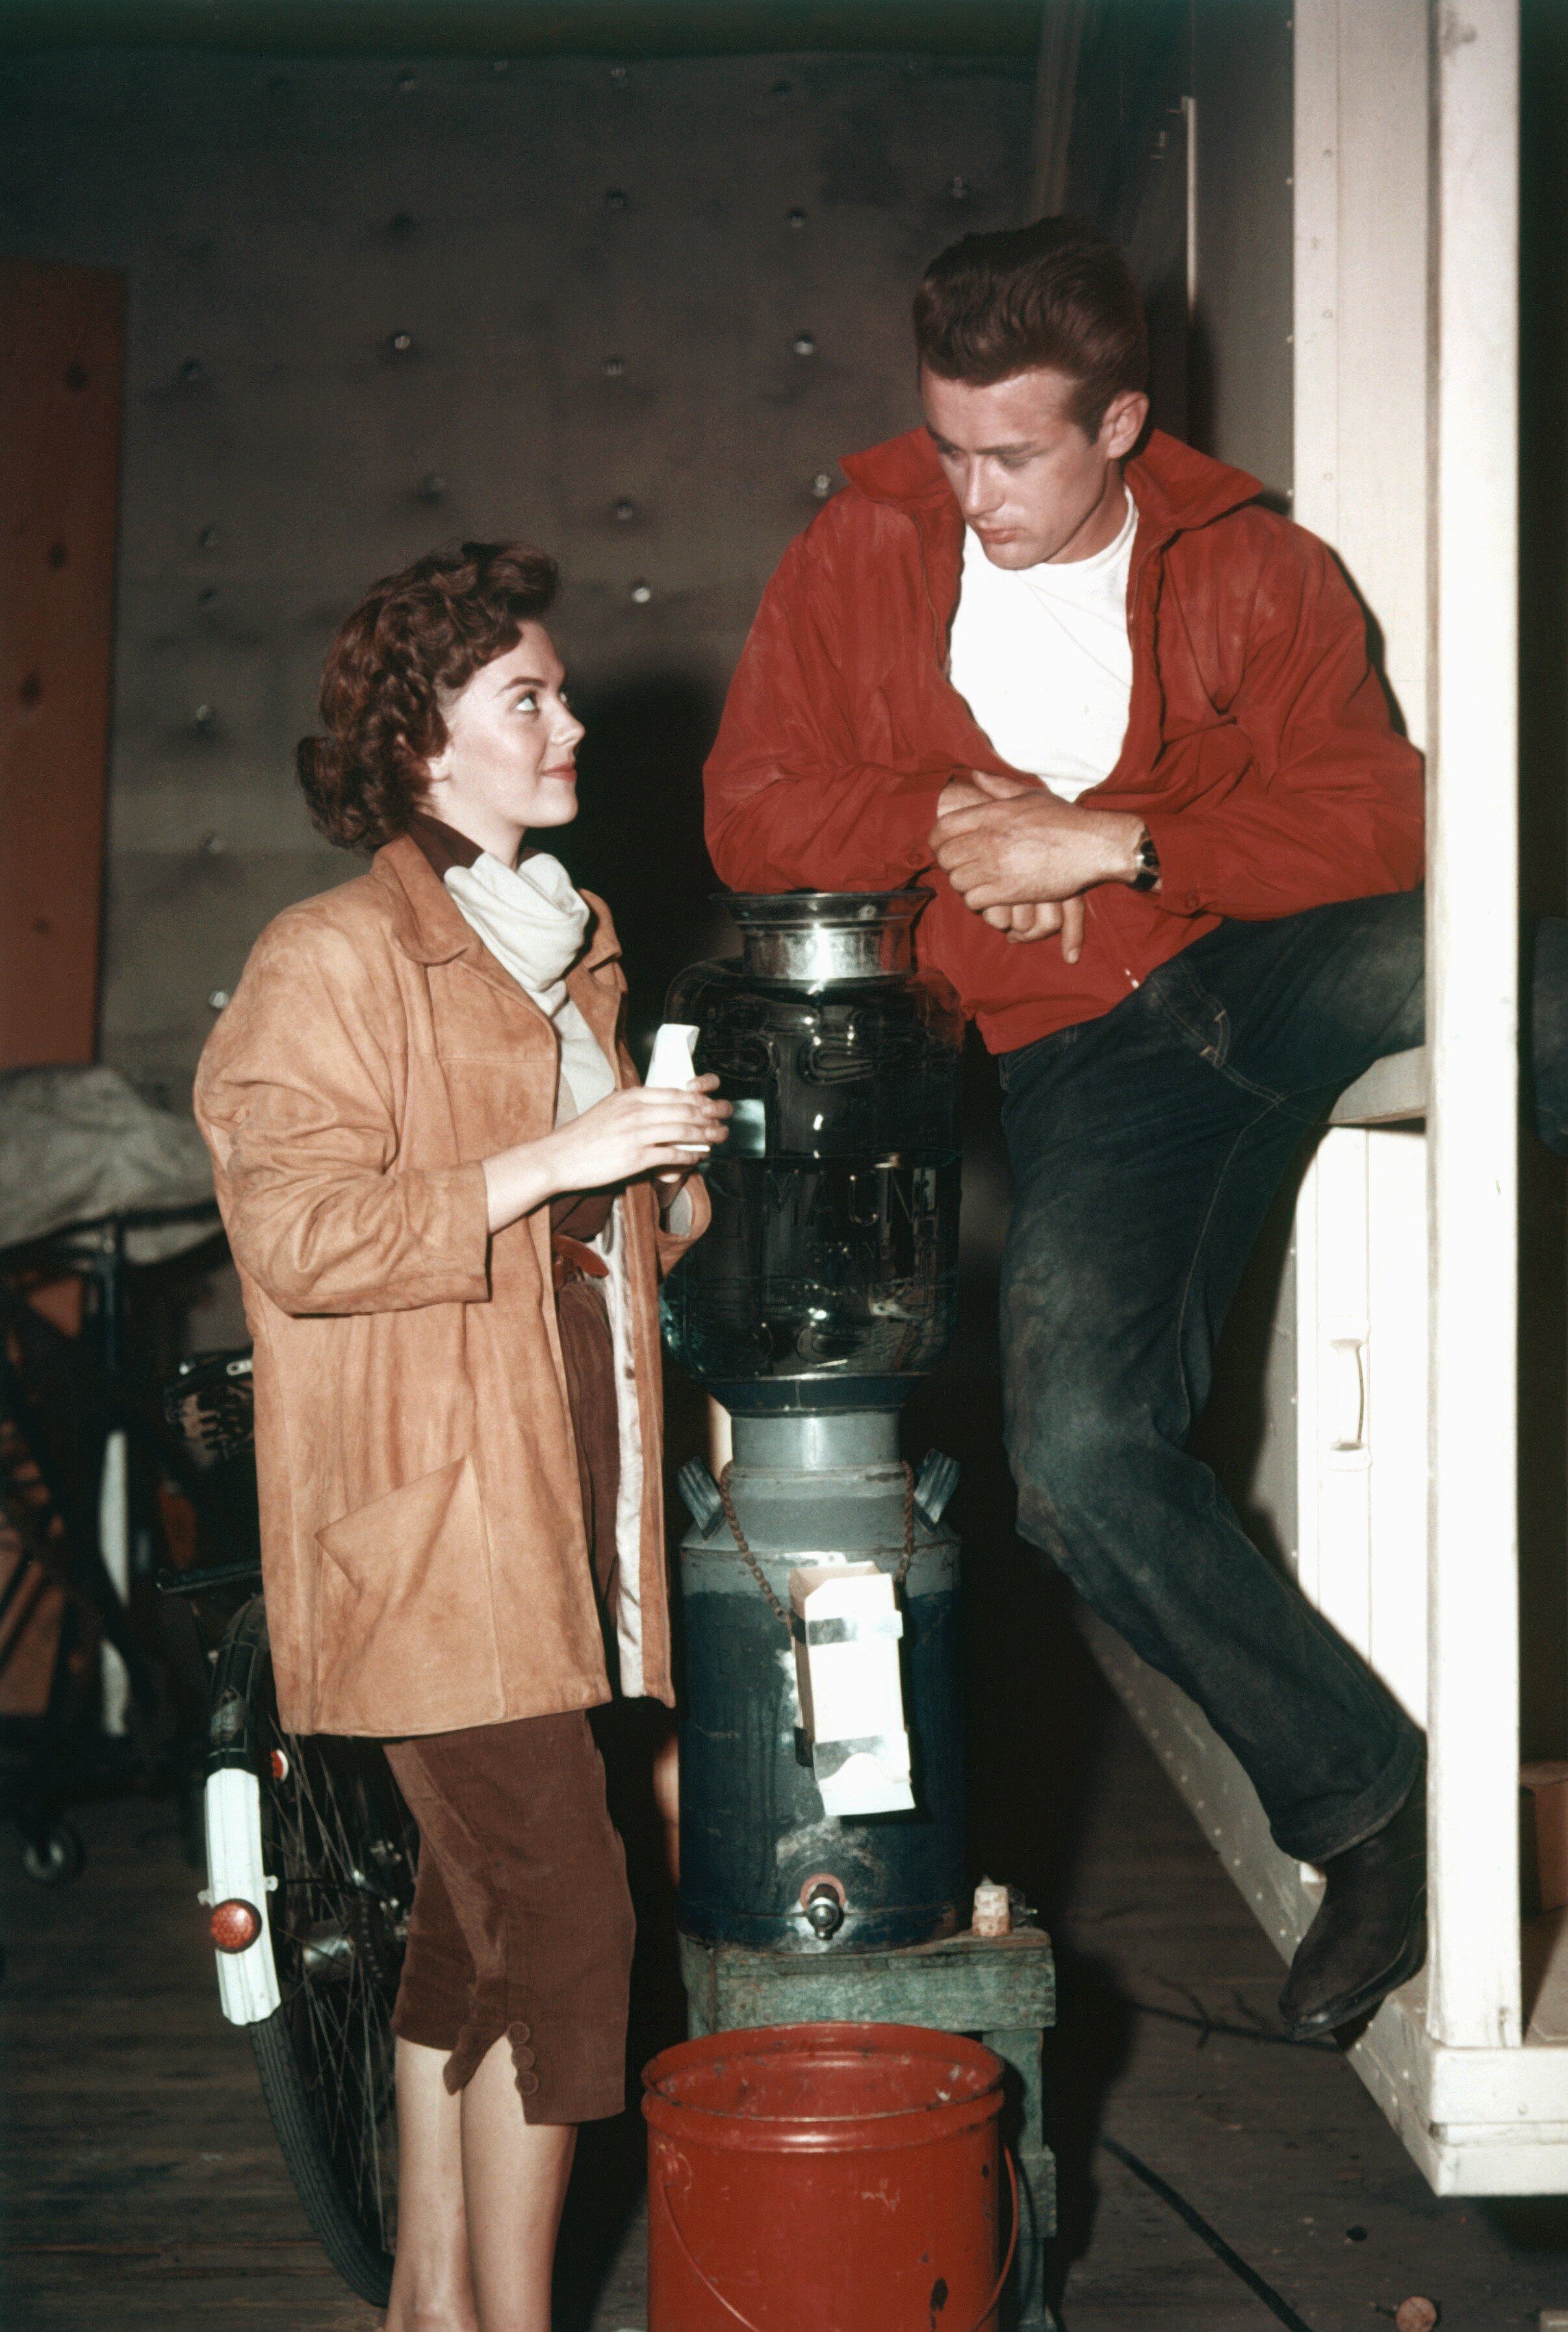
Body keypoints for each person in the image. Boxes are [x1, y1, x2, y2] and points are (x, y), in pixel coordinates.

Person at [701, 218, 1568, 2041]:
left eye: (1013, 453)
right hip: (1089, 1065)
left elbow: (1385, 820)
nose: (968, 488)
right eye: (947, 442)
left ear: (1124, 420)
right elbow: (752, 811)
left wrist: (1121, 842)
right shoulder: (860, 547)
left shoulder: (1256, 562)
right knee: (1071, 1463)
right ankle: (1375, 1811)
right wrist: (946, 813)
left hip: (1279, 966)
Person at [195, 541, 729, 2332]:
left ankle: (432, 2301)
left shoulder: (558, 939)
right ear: (421, 743)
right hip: (434, 1536)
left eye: (559, 690)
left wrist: (659, 1177)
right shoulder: (330, 956)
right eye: (529, 697)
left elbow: (581, 1251)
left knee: (473, 1926)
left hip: (562, 1509)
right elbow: (303, 1237)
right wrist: (564, 1159)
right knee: (570, 1926)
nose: (569, 719)